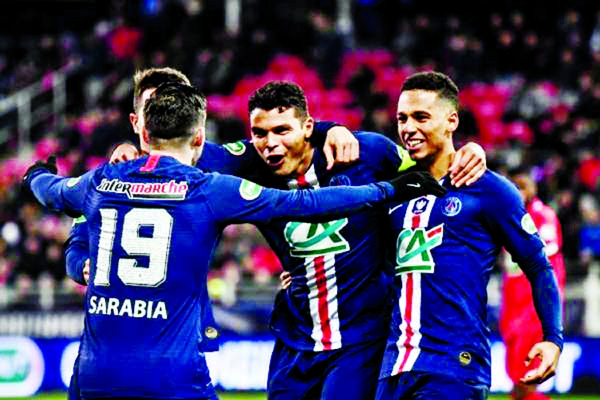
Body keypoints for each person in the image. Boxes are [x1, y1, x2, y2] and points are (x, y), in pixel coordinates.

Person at [22, 82, 445, 400]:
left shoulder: (370, 150)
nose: (270, 143)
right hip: (292, 336)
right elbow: (302, 203)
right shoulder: (233, 172)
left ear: (308, 128)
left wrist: (36, 173)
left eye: (283, 130)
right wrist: (384, 191)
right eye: (260, 133)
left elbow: (430, 175)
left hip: (358, 333)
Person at [376, 71, 563, 400]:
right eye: (402, 118)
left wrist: (553, 337)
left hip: (454, 365)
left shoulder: (490, 190)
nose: (408, 128)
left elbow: (538, 264)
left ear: (451, 121)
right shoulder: (393, 189)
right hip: (395, 366)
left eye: (421, 117)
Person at [500, 166, 566, 400]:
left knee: (525, 377)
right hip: (512, 301)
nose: (518, 192)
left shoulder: (542, 215)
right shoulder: (507, 217)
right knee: (515, 378)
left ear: (533, 189)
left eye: (522, 186)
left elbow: (546, 255)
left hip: (532, 305)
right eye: (514, 187)